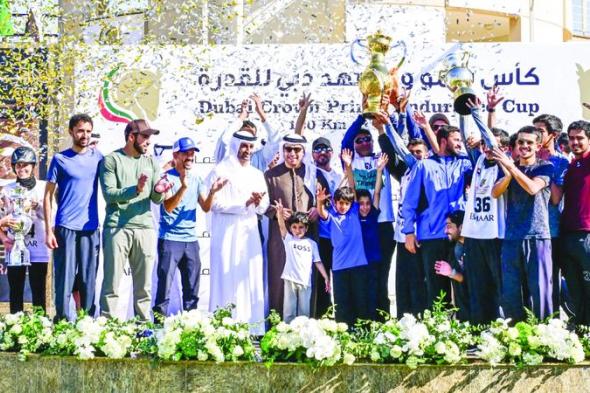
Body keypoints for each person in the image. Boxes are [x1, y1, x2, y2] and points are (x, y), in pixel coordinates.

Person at [99, 119, 171, 321]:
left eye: (150, 137)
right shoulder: (111, 160)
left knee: (144, 286)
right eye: (145, 136)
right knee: (112, 283)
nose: (148, 141)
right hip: (117, 227)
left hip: (145, 228)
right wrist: (136, 189)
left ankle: (143, 328)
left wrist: (158, 191)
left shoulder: (151, 162)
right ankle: (108, 330)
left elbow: (157, 200)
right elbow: (109, 194)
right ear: (132, 137)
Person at [153, 137, 227, 317]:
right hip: (170, 240)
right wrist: (182, 188)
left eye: (192, 153)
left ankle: (190, 327)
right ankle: (158, 330)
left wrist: (212, 192)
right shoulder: (166, 178)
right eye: (186, 153)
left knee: (192, 291)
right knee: (164, 290)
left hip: (191, 241)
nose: (190, 156)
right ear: (175, 155)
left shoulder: (197, 178)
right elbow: (168, 208)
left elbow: (206, 207)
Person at [401, 125, 472, 307]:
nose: (459, 144)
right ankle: (440, 329)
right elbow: (409, 203)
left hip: (460, 236)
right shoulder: (424, 166)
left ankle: (466, 327)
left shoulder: (464, 164)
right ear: (443, 141)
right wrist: (408, 232)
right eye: (456, 140)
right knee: (436, 289)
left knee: (465, 282)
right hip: (432, 236)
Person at [208, 131, 269, 335]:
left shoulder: (256, 174)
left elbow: (264, 207)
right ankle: (224, 328)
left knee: (249, 276)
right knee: (226, 277)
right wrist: (244, 204)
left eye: (251, 147)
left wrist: (258, 203)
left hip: (249, 233)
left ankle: (252, 330)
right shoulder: (221, 170)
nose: (247, 151)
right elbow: (213, 204)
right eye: (244, 146)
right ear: (235, 146)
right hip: (226, 233)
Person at [491, 126, 554, 321]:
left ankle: (545, 336)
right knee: (511, 291)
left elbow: (533, 188)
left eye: (529, 142)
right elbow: (495, 192)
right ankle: (515, 338)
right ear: (515, 145)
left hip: (537, 235)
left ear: (537, 146)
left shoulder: (545, 167)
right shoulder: (510, 168)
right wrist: (510, 172)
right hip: (511, 237)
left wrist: (511, 168)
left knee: (540, 291)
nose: (524, 146)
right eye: (520, 142)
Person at [44, 114, 103, 320]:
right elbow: (48, 195)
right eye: (80, 131)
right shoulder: (60, 159)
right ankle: (61, 322)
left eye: (88, 131)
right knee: (65, 279)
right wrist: (48, 230)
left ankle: (86, 324)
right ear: (71, 132)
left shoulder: (98, 158)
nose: (84, 135)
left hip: (90, 227)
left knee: (88, 279)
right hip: (65, 227)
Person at [342, 112, 396, 318]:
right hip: (360, 226)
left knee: (381, 276)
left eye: (367, 139)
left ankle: (382, 319)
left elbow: (391, 147)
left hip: (382, 225)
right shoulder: (350, 162)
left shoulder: (382, 160)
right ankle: (363, 317)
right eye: (360, 140)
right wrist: (362, 117)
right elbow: (346, 141)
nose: (364, 142)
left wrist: (381, 125)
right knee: (362, 275)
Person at [460, 100, 506, 325]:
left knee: (497, 284)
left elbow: (489, 138)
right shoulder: (478, 159)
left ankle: (499, 328)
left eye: (491, 145)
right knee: (476, 284)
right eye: (484, 146)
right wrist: (462, 109)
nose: (487, 148)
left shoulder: (503, 163)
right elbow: (463, 133)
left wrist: (478, 112)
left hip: (494, 235)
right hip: (473, 233)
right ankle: (478, 328)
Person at [265, 133, 316, 318]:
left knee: (307, 281)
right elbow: (263, 204)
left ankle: (307, 326)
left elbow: (324, 199)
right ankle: (279, 325)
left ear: (304, 152)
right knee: (279, 278)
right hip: (280, 238)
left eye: (297, 149)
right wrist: (275, 211)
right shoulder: (271, 175)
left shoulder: (312, 173)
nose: (292, 153)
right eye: (288, 149)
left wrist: (318, 210)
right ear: (282, 150)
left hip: (307, 238)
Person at [317, 158, 369, 326]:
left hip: (359, 265)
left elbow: (352, 188)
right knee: (342, 302)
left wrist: (348, 166)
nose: (343, 206)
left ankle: (361, 331)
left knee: (361, 299)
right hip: (339, 267)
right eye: (340, 203)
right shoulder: (331, 216)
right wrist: (319, 201)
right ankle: (343, 332)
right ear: (334, 203)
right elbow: (321, 212)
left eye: (346, 203)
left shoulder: (354, 211)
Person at [0, 147, 49, 313]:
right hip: (15, 247)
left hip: (39, 246)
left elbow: (52, 217)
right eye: (18, 165)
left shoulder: (43, 187)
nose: (21, 169)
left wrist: (36, 204)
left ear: (33, 165)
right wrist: (3, 237)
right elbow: (1, 219)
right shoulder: (7, 190)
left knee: (38, 291)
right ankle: (16, 328)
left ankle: (41, 328)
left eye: (25, 165)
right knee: (16, 290)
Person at [533, 114, 570, 315]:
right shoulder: (528, 155)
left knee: (549, 280)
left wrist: (547, 168)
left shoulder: (561, 162)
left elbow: (555, 199)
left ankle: (552, 322)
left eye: (540, 131)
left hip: (551, 229)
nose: (535, 135)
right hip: (527, 230)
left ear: (553, 135)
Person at [274, 200, 329, 323]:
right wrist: (279, 212)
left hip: (305, 281)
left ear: (306, 228)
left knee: (304, 311)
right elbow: (281, 226)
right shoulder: (288, 239)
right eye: (294, 227)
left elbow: (318, 262)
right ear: (290, 228)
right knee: (289, 310)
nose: (297, 230)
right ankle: (287, 334)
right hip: (290, 279)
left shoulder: (311, 244)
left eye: (301, 227)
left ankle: (303, 335)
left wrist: (326, 277)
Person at [557, 121, 590, 325]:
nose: (575, 142)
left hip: (587, 235)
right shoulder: (569, 165)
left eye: (580, 138)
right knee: (575, 289)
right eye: (572, 138)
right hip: (567, 235)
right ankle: (582, 332)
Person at [349, 149, 388, 320]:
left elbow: (377, 192)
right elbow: (352, 187)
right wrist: (348, 166)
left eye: (367, 203)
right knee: (360, 293)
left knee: (373, 292)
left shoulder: (373, 214)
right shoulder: (354, 214)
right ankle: (361, 322)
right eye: (361, 203)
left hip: (373, 260)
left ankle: (373, 322)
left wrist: (379, 171)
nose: (364, 207)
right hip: (358, 261)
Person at [311, 136, 342, 317]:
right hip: (321, 236)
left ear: (331, 152)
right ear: (312, 154)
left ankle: (341, 317)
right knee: (323, 279)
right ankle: (323, 316)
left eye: (325, 149)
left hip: (338, 235)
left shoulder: (339, 175)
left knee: (340, 278)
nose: (322, 153)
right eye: (317, 149)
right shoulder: (310, 173)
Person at [434, 210, 469, 321]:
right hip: (462, 313)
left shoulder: (475, 249)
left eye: (449, 227)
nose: (445, 231)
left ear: (462, 227)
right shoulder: (453, 250)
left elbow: (474, 280)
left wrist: (451, 273)